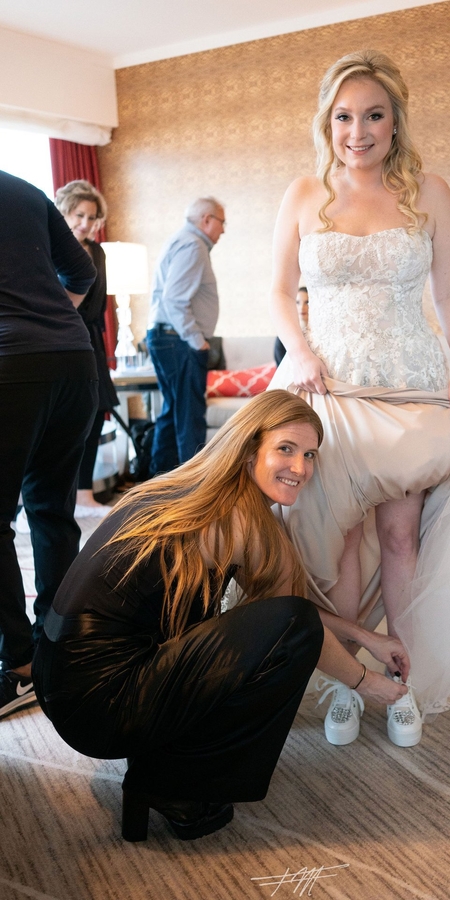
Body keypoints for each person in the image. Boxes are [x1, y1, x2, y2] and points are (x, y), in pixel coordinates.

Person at [269, 50, 450, 747]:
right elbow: (277, 291)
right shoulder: (303, 193)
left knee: (401, 539)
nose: (358, 131)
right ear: (328, 122)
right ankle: (347, 680)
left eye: (373, 115)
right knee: (338, 544)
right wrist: (298, 350)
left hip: (411, 389)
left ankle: (406, 683)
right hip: (329, 391)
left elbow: (449, 292)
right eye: (344, 117)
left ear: (395, 121)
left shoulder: (430, 192)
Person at [32, 390, 409, 841]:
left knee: (274, 624)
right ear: (249, 449)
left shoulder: (187, 490)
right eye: (285, 449)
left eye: (309, 454)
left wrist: (366, 637)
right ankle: (177, 786)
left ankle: (161, 762)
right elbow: (295, 624)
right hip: (100, 705)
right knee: (291, 633)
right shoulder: (237, 518)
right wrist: (367, 684)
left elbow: (284, 608)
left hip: (60, 679)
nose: (300, 467)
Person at [0, 170, 98, 719]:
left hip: (12, 367)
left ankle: (19, 667)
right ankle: (58, 652)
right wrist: (46, 322)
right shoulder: (22, 188)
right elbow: (81, 271)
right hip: (73, 360)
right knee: (52, 513)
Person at [146, 197, 225, 476]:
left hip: (167, 338)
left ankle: (159, 485)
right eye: (222, 222)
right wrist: (197, 341)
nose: (223, 230)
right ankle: (194, 489)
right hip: (178, 341)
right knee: (190, 417)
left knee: (173, 413)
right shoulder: (193, 245)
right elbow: (174, 299)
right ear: (206, 219)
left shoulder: (181, 240)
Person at [55, 180, 119, 517]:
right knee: (64, 421)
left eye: (92, 217)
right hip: (61, 340)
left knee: (94, 415)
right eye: (79, 215)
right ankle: (57, 498)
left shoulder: (98, 252)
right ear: (64, 213)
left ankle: (84, 495)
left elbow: (99, 304)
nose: (86, 223)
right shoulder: (51, 247)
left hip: (91, 340)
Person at [274, 286, 309, 366]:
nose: (302, 307)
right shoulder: (283, 335)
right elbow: (279, 364)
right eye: (298, 302)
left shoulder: (319, 335)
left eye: (307, 302)